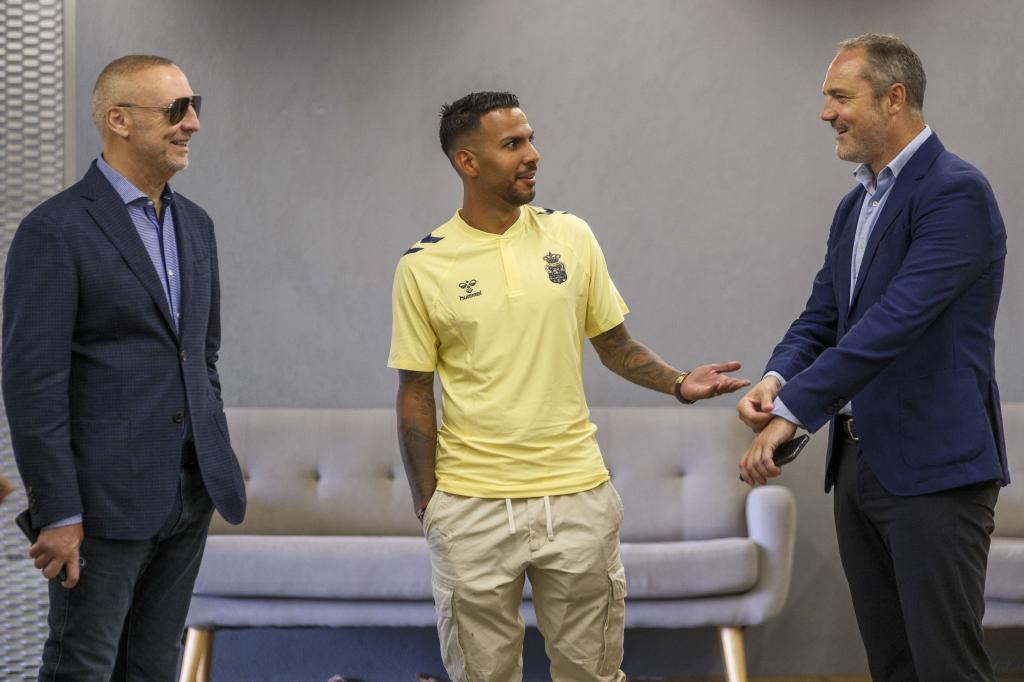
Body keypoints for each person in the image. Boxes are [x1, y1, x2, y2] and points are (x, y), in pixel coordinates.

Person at [389, 91, 749, 681]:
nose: (532, 155)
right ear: (468, 162)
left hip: (578, 497)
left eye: (530, 139)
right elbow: (415, 391)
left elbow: (616, 346)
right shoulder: (423, 266)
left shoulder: (572, 237)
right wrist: (430, 502)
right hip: (472, 505)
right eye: (513, 144)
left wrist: (681, 384)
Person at [736, 34, 1007, 681]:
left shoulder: (956, 192)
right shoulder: (854, 205)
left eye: (839, 96)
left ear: (894, 98)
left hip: (936, 472)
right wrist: (777, 380)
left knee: (946, 667)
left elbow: (894, 324)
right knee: (893, 665)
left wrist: (796, 411)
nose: (825, 112)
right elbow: (824, 319)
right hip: (860, 466)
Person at [2, 54, 246, 680]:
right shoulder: (54, 230)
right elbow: (33, 386)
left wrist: (207, 447)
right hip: (101, 504)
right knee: (82, 668)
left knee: (153, 668)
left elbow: (201, 355)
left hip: (190, 493)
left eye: (195, 107)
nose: (192, 123)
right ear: (119, 120)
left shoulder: (197, 226)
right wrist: (57, 511)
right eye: (175, 109)